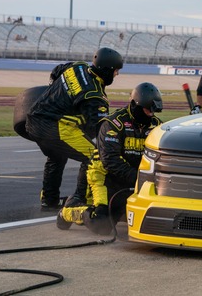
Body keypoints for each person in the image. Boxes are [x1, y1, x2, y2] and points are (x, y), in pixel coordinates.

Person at [25, 47, 123, 212]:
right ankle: (78, 199)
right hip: (54, 126)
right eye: (115, 71)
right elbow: (99, 129)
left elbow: (56, 72)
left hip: (32, 119)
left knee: (57, 156)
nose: (117, 74)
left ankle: (49, 200)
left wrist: (58, 94)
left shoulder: (77, 66)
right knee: (94, 157)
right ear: (106, 70)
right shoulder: (94, 95)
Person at [63, 82, 164, 234]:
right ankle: (67, 212)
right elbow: (110, 160)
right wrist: (138, 179)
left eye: (153, 111)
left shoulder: (157, 126)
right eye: (147, 110)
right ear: (135, 105)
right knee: (100, 224)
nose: (150, 114)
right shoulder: (114, 124)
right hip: (105, 179)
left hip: (134, 181)